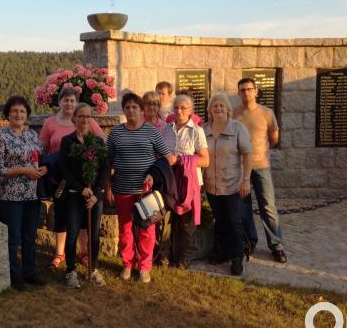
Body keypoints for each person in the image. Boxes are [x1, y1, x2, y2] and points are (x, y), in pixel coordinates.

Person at [106, 92, 176, 283]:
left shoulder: (152, 132)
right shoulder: (115, 133)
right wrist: (108, 187)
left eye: (135, 107)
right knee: (125, 229)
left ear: (142, 109)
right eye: (127, 107)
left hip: (146, 192)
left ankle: (144, 268)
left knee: (147, 230)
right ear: (124, 110)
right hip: (122, 189)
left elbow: (168, 158)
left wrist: (153, 174)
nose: (131, 110)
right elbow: (108, 161)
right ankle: (127, 264)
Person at [40, 87, 106, 269]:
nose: (69, 103)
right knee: (61, 216)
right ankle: (59, 253)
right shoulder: (50, 123)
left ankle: (83, 252)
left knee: (84, 218)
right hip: (60, 178)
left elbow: (101, 141)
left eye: (72, 100)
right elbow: (42, 148)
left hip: (84, 179)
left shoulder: (86, 120)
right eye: (65, 100)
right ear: (59, 101)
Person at [0, 95, 48, 290]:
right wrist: (22, 170)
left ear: (27, 114)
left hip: (32, 194)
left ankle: (30, 273)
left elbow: (40, 158)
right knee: (13, 237)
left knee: (30, 236)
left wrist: (43, 169)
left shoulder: (32, 135)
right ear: (7, 114)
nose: (18, 114)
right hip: (11, 196)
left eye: (22, 111)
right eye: (14, 110)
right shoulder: (1, 137)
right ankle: (15, 276)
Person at [233, 78, 287, 263]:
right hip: (240, 169)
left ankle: (276, 245)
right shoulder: (234, 113)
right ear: (238, 93)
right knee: (243, 208)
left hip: (261, 167)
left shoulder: (266, 113)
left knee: (268, 207)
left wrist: (261, 152)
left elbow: (274, 138)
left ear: (256, 91)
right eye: (242, 90)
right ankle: (250, 241)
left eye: (249, 89)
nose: (246, 93)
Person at [59, 103, 109, 288]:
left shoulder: (97, 142)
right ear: (74, 119)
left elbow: (104, 169)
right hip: (75, 194)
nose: (85, 119)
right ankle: (71, 271)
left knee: (94, 234)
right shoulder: (67, 141)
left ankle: (93, 268)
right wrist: (81, 188)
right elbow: (64, 169)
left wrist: (95, 194)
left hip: (95, 196)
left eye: (88, 116)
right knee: (72, 233)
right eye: (81, 116)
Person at [204, 93, 253, 275]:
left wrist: (246, 180)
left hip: (232, 184)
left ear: (228, 109)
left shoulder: (238, 128)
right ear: (210, 110)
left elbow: (248, 154)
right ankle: (223, 251)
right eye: (215, 106)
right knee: (220, 221)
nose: (218, 108)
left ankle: (237, 256)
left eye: (221, 106)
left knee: (234, 222)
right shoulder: (204, 129)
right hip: (212, 185)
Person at [161, 94, 209, 270]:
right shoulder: (166, 129)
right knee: (166, 219)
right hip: (170, 180)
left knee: (187, 222)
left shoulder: (197, 131)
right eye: (176, 108)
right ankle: (165, 254)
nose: (179, 111)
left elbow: (205, 160)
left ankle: (185, 258)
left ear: (190, 111)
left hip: (190, 183)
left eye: (183, 108)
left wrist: (180, 160)